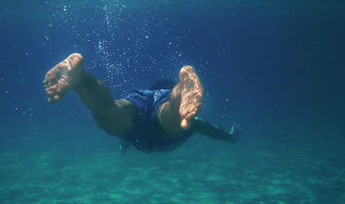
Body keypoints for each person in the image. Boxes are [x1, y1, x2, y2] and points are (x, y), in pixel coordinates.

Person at [43, 53, 241, 153]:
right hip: (160, 112)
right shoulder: (190, 118)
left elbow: (125, 140)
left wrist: (124, 147)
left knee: (108, 111)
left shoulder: (133, 127)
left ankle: (81, 80)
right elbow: (212, 129)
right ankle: (179, 92)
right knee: (171, 115)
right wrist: (229, 136)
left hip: (139, 99)